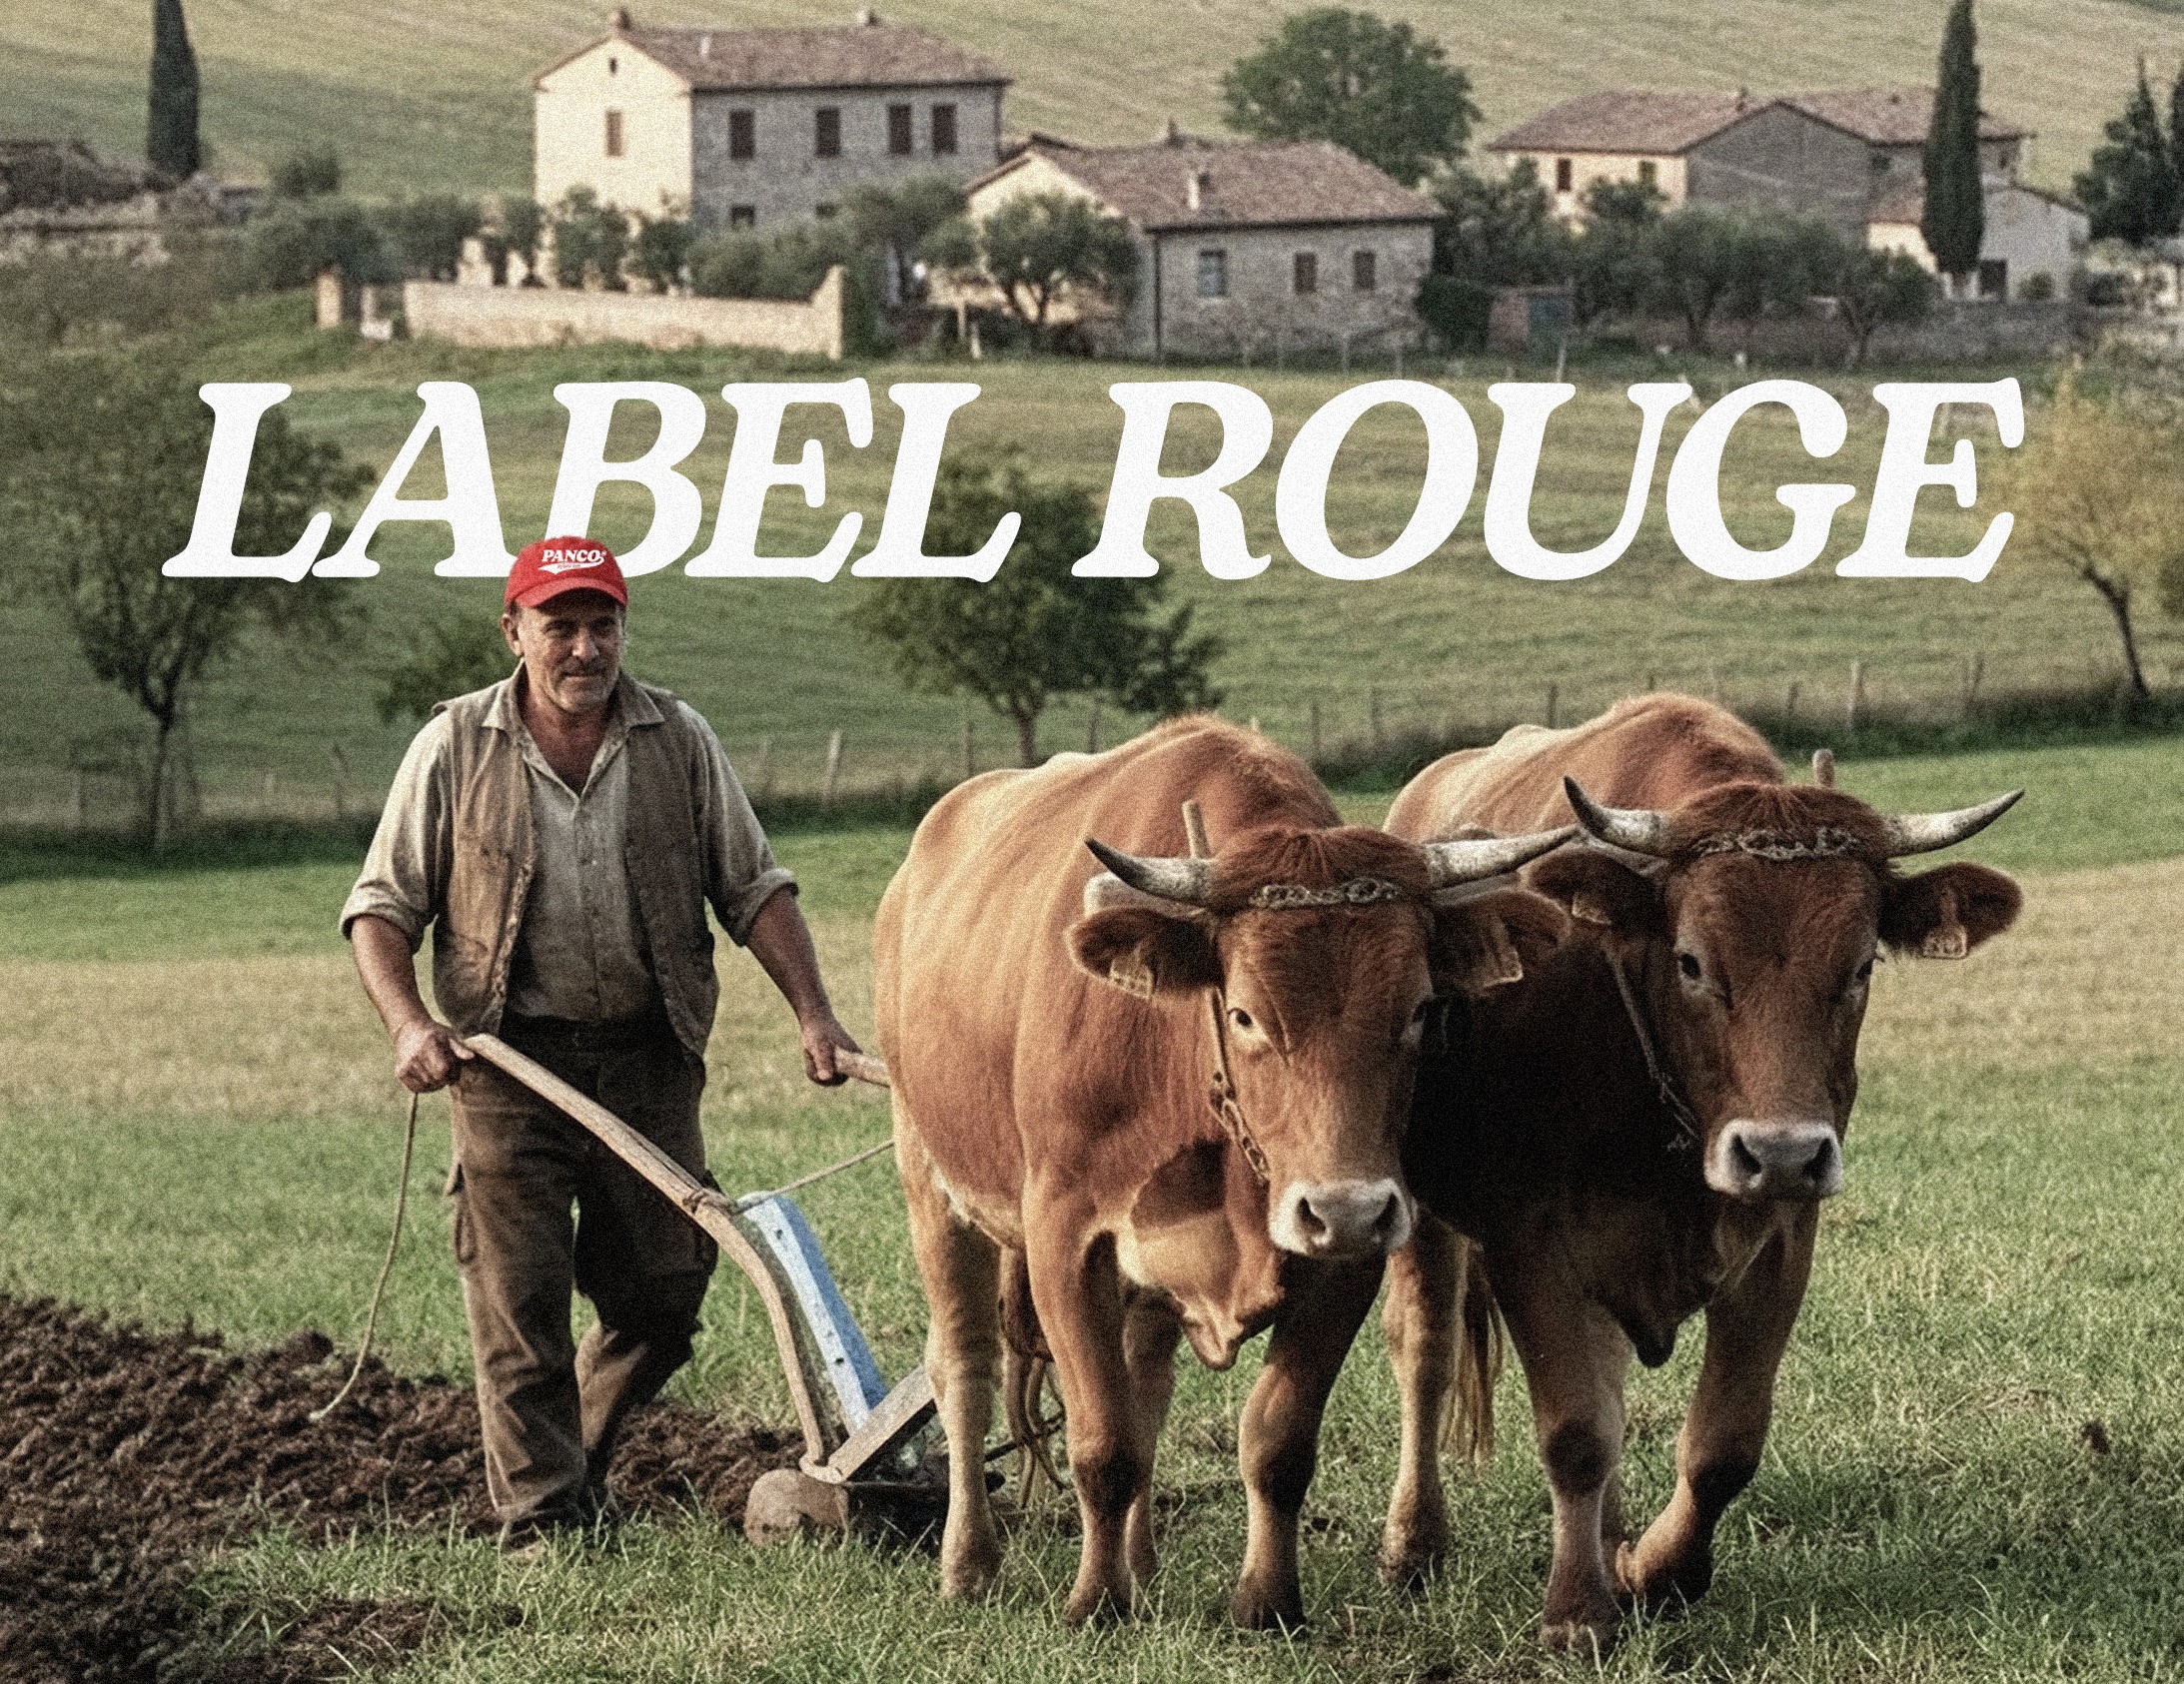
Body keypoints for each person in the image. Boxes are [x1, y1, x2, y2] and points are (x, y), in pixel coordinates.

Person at [342, 534, 860, 1546]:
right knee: (518, 1305)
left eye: (602, 624)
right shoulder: (453, 745)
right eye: (560, 626)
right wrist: (409, 1026)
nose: (584, 648)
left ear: (624, 627)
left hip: (645, 1056)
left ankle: (572, 1464)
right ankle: (540, 1524)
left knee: (665, 1294)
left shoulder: (676, 737)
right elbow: (381, 908)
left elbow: (752, 888)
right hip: (505, 1063)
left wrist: (815, 1014)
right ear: (513, 631)